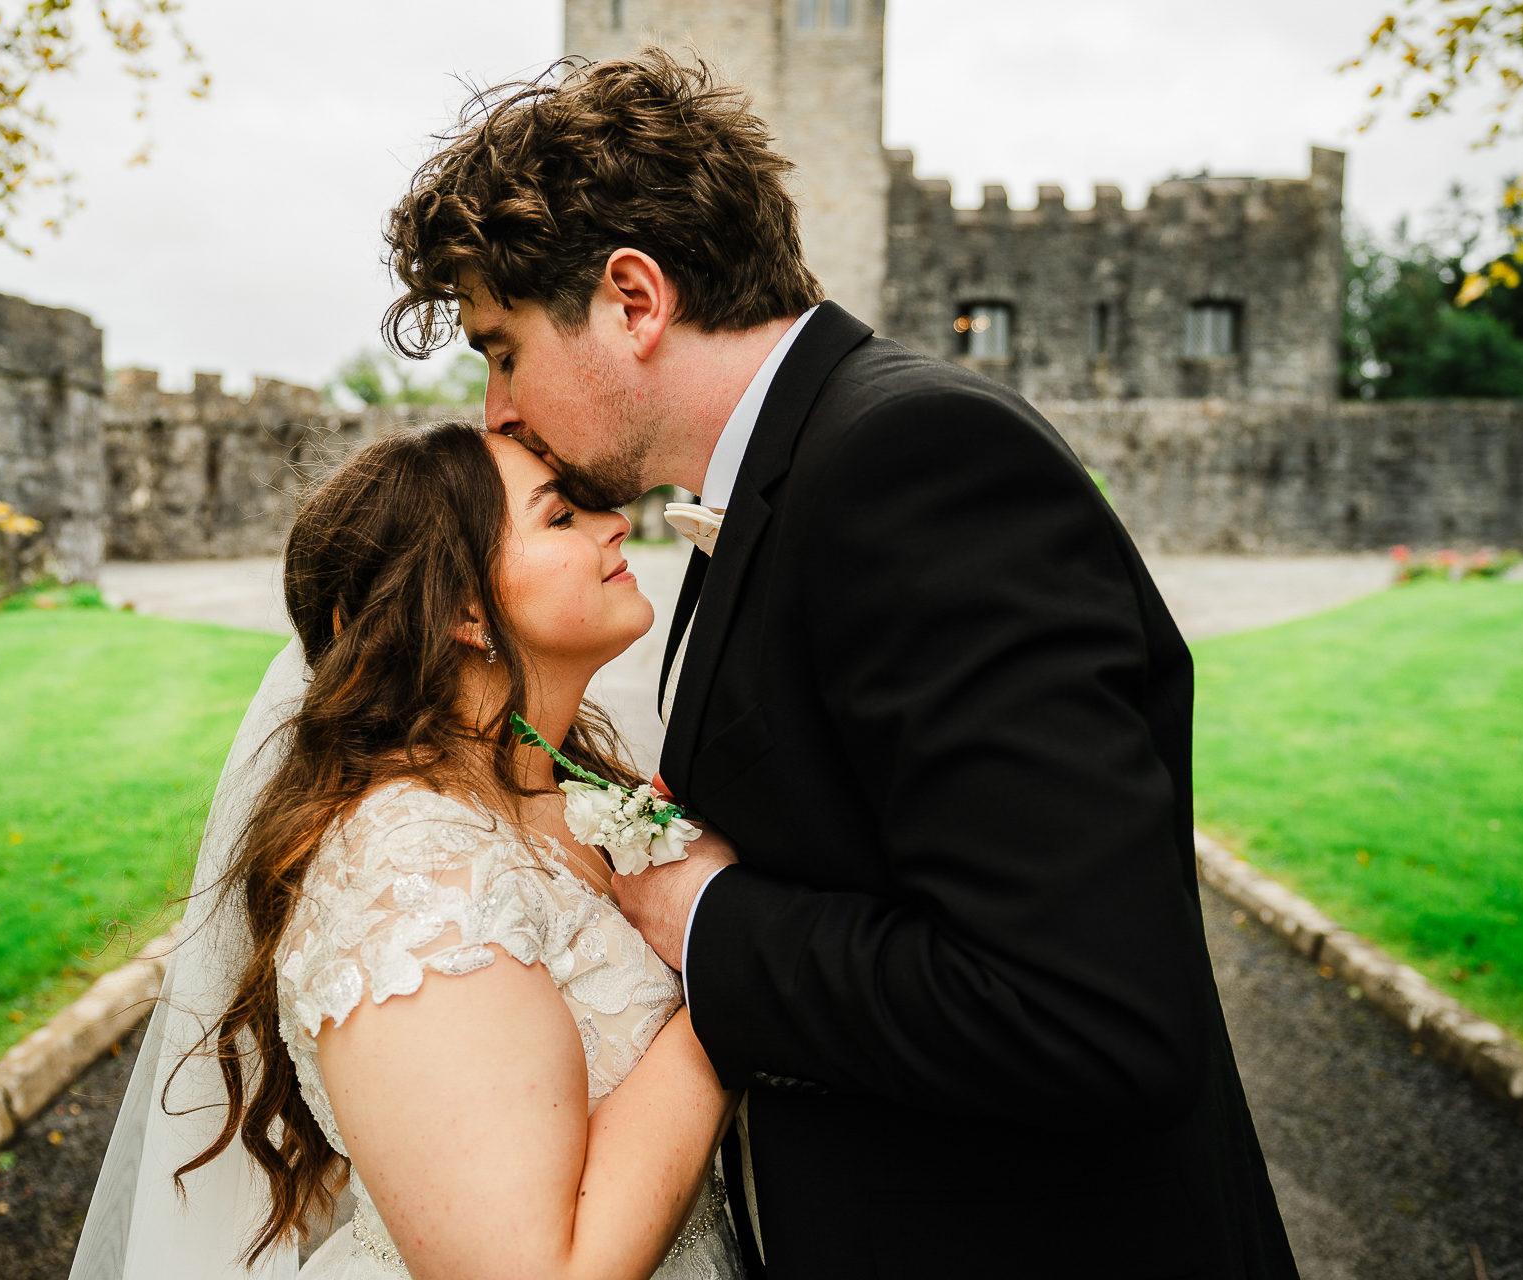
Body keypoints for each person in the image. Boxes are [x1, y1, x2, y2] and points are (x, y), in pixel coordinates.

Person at [380, 50, 1301, 1279]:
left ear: (633, 300)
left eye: (502, 350)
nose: (495, 411)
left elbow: (1095, 1018)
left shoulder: (914, 463)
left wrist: (703, 914)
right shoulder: (773, 483)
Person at [70, 421, 745, 1279]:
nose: (615, 520)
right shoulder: (409, 873)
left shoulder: (557, 790)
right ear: (465, 610)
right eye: (561, 519)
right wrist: (734, 977)